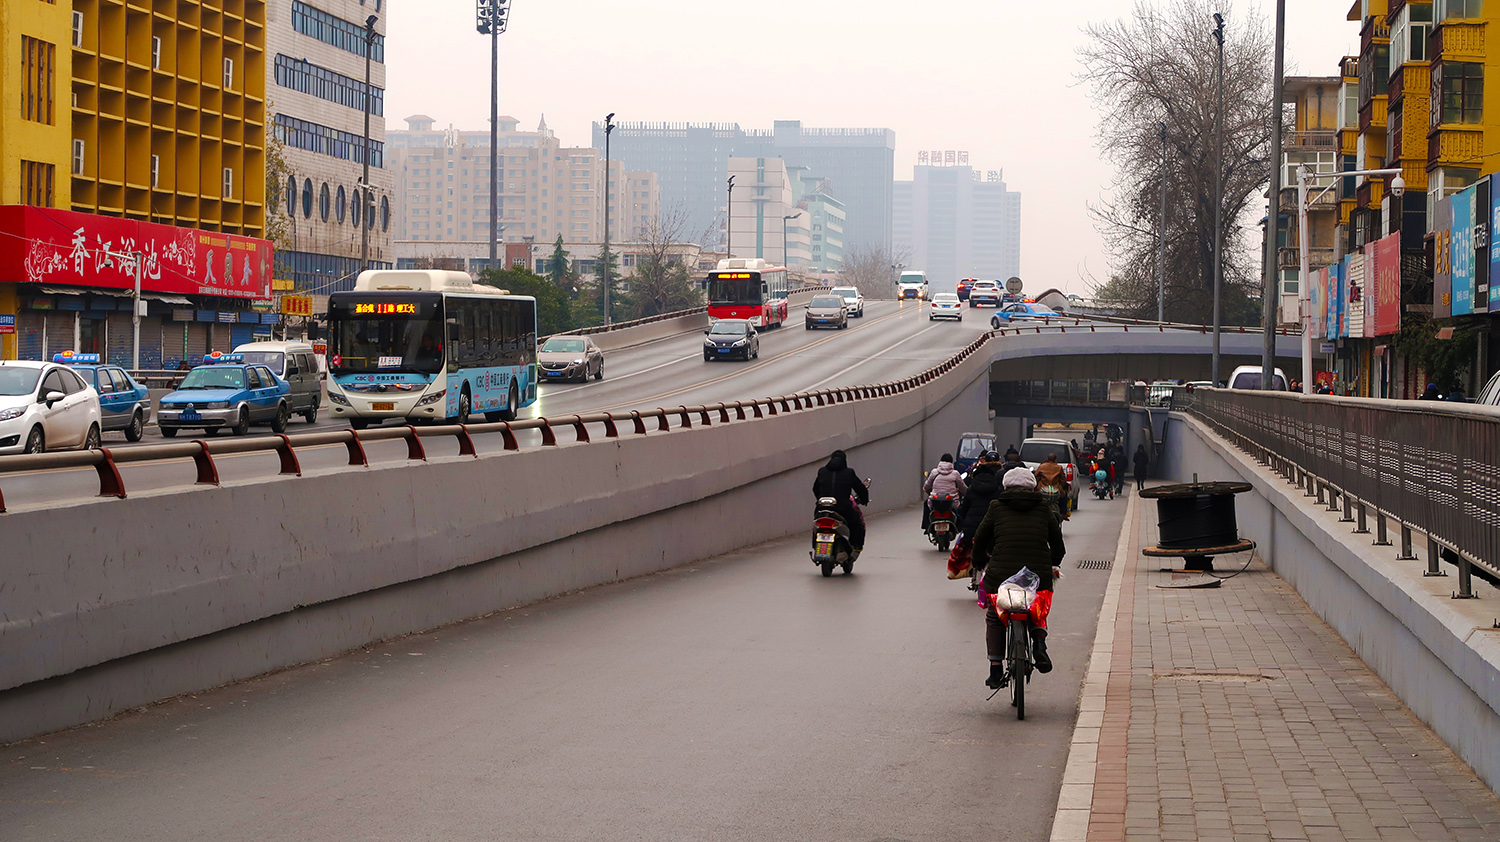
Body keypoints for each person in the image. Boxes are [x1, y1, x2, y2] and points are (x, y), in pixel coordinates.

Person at [973, 467, 1065, 683]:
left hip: (1000, 576)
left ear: (1005, 486)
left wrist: (979, 561)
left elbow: (980, 537)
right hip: (1036, 575)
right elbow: (1058, 545)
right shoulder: (1043, 508)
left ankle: (995, 667)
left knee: (995, 616)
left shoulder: (996, 507)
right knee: (1037, 608)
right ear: (1032, 486)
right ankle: (1039, 643)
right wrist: (1052, 563)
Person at [813, 449, 869, 555]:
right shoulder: (849, 472)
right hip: (843, 509)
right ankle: (856, 547)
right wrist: (864, 499)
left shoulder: (822, 471)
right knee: (857, 524)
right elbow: (859, 488)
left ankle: (815, 545)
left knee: (816, 524)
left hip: (822, 508)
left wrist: (821, 500)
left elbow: (815, 489)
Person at [922, 452, 967, 530]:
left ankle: (926, 527)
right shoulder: (955, 474)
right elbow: (963, 488)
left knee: (926, 504)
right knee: (962, 509)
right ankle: (960, 528)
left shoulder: (934, 472)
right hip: (952, 504)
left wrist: (930, 492)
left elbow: (926, 487)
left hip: (935, 503)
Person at [1033, 452, 1069, 521]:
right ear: (1055, 460)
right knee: (1064, 496)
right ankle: (1064, 513)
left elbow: (1035, 477)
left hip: (1042, 489)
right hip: (1056, 490)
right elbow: (1063, 480)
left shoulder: (1042, 466)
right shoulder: (1059, 467)